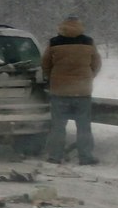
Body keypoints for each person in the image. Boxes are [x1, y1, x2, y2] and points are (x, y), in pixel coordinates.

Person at [41, 15, 101, 165]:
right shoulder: (88, 42)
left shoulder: (54, 42)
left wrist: (54, 78)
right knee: (84, 127)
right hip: (82, 92)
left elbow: (45, 64)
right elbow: (96, 64)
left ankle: (55, 156)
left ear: (62, 26)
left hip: (60, 91)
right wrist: (88, 77)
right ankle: (85, 156)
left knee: (58, 126)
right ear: (80, 26)